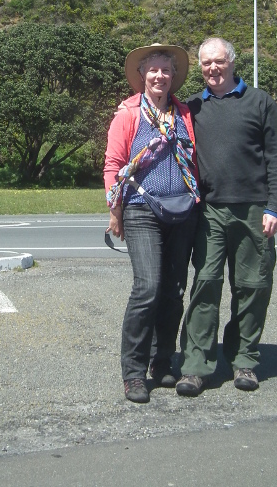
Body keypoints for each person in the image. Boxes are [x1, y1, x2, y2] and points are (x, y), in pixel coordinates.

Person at [176, 37, 277, 396]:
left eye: (219, 61)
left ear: (232, 62)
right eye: (206, 63)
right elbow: (156, 116)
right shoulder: (192, 106)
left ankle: (244, 360)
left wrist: (275, 207)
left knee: (252, 287)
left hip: (255, 211)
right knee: (206, 284)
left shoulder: (260, 102)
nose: (212, 68)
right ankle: (196, 366)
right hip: (209, 210)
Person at [104, 43, 200, 403]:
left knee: (174, 291)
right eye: (154, 70)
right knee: (148, 287)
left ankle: (162, 362)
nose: (160, 75)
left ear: (174, 76)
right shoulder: (128, 114)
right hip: (142, 208)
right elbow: (113, 166)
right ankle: (133, 372)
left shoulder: (184, 113)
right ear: (142, 75)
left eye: (166, 70)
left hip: (183, 211)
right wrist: (115, 211)